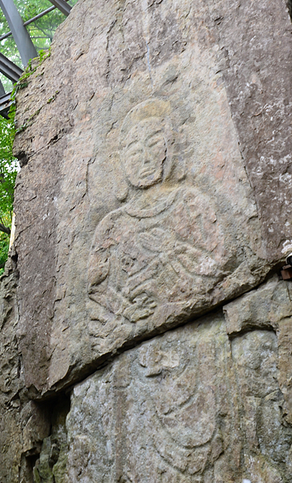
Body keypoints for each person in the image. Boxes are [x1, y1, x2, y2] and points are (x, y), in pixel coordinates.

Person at [88, 99, 226, 340]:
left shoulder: (190, 202)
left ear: (169, 148)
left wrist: (173, 249)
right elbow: (96, 288)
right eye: (134, 151)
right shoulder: (112, 225)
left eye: (153, 144)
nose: (145, 158)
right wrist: (127, 311)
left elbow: (218, 265)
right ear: (122, 161)